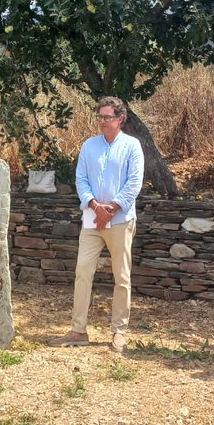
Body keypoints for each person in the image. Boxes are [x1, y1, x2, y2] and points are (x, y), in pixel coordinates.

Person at [49, 96, 144, 354]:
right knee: (83, 271)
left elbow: (134, 183)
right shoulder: (89, 146)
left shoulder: (132, 146)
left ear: (120, 119)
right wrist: (94, 206)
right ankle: (78, 330)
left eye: (108, 117)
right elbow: (81, 179)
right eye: (100, 117)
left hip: (120, 220)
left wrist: (111, 209)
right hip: (91, 221)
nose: (103, 122)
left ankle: (119, 332)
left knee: (121, 276)